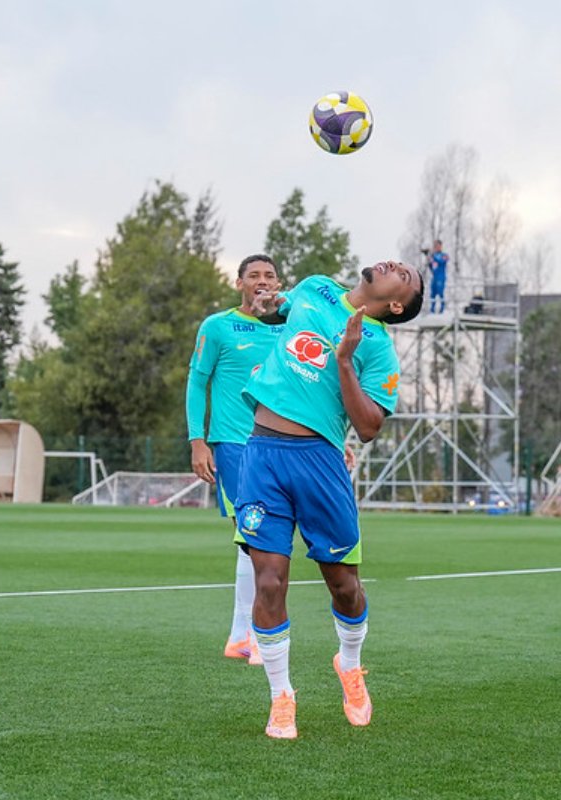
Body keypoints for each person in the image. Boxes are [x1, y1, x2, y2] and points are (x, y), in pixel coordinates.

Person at [236, 260, 423, 739]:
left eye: (404, 276)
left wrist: (344, 359)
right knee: (270, 583)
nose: (395, 266)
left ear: (396, 303)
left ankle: (350, 664)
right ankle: (281, 698)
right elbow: (279, 312)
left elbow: (368, 428)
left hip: (320, 462)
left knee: (344, 586)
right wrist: (268, 304)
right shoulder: (317, 288)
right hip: (264, 453)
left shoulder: (378, 349)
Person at [187, 254, 285, 666]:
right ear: (240, 283)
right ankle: (258, 634)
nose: (262, 281)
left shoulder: (289, 328)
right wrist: (198, 440)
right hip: (234, 443)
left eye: (270, 275)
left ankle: (239, 635)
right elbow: (197, 381)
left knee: (259, 540)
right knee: (255, 539)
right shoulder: (218, 326)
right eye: (254, 276)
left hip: (283, 443)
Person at [425, 240, 448, 313]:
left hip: (441, 277)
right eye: (435, 246)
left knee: (440, 293)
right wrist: (428, 259)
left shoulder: (444, 255)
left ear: (441, 246)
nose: (436, 247)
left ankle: (442, 309)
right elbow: (432, 267)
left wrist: (433, 256)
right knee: (433, 294)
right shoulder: (434, 256)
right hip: (434, 277)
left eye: (437, 245)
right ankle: (432, 310)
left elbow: (441, 262)